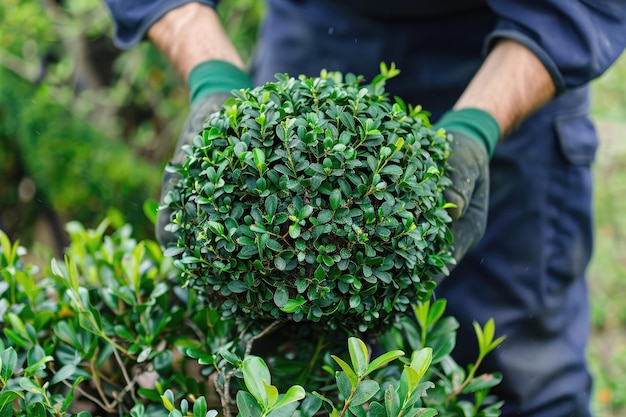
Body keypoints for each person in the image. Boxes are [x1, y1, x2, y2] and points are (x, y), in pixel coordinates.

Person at [102, 1, 626, 416]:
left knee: (518, 371)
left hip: (508, 43)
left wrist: (478, 125)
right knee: (293, 370)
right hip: (317, 26)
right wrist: (213, 73)